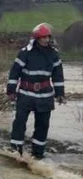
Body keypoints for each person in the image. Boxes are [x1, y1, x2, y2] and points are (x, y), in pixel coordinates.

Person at [7, 23, 65, 159]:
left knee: (43, 125)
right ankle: (15, 151)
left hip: (45, 95)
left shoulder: (53, 54)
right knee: (19, 122)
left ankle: (38, 153)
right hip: (26, 93)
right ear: (37, 38)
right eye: (43, 37)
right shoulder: (25, 52)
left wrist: (60, 94)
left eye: (47, 37)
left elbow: (58, 76)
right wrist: (11, 90)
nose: (46, 40)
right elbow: (14, 72)